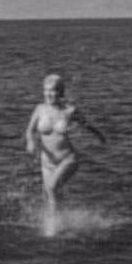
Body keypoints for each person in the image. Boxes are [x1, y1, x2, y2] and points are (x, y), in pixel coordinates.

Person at [24, 74, 106, 219]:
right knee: (50, 195)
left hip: (67, 159)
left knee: (52, 188)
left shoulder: (69, 111)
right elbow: (29, 131)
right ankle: (62, 221)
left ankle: (53, 226)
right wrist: (30, 142)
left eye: (53, 90)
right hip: (47, 162)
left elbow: (86, 125)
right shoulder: (39, 109)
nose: (49, 94)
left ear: (60, 92)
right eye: (46, 90)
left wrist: (99, 136)